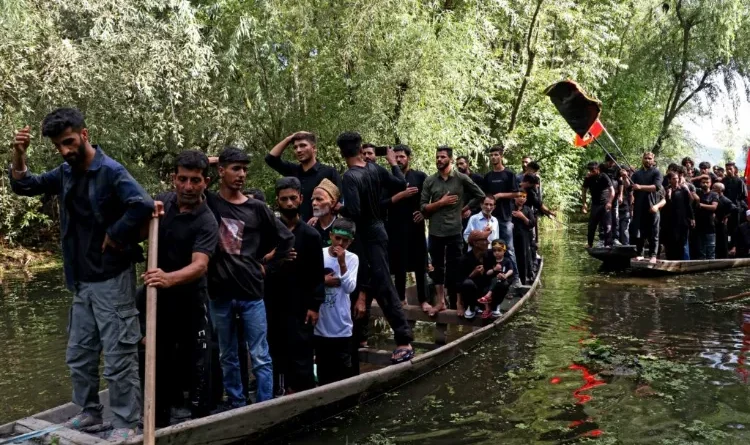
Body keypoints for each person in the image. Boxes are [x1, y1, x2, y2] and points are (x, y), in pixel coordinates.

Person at [9, 109, 154, 440]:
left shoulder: (112, 171)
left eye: (70, 142)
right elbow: (25, 186)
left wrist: (116, 233)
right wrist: (19, 154)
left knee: (119, 355)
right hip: (81, 282)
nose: (65, 151)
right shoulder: (65, 173)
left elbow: (142, 205)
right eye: (59, 145)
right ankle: (89, 413)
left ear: (85, 135)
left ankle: (126, 424)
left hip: (112, 278)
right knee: (79, 354)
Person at [207, 147, 294, 406]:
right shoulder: (210, 202)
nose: (242, 174)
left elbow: (285, 239)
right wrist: (212, 161)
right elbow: (192, 174)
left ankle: (265, 405)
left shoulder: (257, 208)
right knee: (228, 355)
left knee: (259, 355)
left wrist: (270, 265)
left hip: (251, 292)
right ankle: (237, 403)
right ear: (221, 171)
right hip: (220, 294)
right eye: (235, 168)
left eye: (245, 169)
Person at [138, 150, 217, 427]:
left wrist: (168, 278)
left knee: (198, 362)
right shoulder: (162, 202)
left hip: (191, 299)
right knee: (155, 358)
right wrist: (145, 217)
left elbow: (200, 265)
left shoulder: (207, 220)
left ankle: (200, 421)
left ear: (205, 182)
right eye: (182, 179)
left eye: (194, 180)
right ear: (174, 179)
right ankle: (157, 420)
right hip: (158, 299)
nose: (187, 187)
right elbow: (136, 228)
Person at [335, 131, 415, 363]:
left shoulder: (350, 177)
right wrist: (392, 163)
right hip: (379, 232)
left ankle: (404, 339)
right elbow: (400, 183)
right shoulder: (374, 168)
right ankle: (358, 338)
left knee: (383, 286)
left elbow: (355, 211)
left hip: (365, 237)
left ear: (342, 153)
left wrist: (338, 207)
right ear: (361, 149)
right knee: (361, 283)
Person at [265, 177, 324, 395]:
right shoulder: (269, 232)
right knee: (274, 352)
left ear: (300, 199)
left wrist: (314, 306)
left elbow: (317, 274)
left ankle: (303, 397)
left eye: (292, 198)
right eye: (284, 199)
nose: (289, 203)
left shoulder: (310, 235)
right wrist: (274, 258)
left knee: (301, 353)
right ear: (277, 201)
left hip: (301, 306)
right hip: (272, 303)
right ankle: (275, 396)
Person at [421, 146, 486, 316]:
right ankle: (441, 302)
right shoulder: (430, 181)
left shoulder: (461, 178)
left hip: (455, 230)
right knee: (436, 267)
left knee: (456, 267)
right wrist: (440, 203)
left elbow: (480, 195)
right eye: (437, 157)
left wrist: (465, 208)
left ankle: (459, 302)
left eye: (442, 157)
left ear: (450, 159)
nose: (439, 160)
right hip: (435, 231)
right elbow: (423, 209)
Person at [315, 218, 359, 385]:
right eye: (337, 238)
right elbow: (306, 282)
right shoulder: (319, 254)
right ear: (331, 235)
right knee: (323, 370)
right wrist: (322, 281)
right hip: (321, 324)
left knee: (342, 370)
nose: (340, 243)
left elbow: (349, 288)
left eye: (345, 240)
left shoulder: (352, 258)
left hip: (341, 325)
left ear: (351, 241)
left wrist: (342, 264)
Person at [386, 145, 430, 311]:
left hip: (416, 226)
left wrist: (424, 214)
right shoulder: (389, 178)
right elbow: (384, 202)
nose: (398, 160)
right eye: (395, 157)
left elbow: (429, 200)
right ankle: (401, 298)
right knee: (399, 265)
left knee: (420, 264)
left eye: (402, 157)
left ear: (409, 158)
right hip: (395, 226)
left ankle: (424, 299)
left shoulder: (420, 176)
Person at [265, 131, 341, 222]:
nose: (298, 150)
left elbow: (338, 201)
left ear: (314, 148)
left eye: (303, 145)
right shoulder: (293, 171)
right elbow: (270, 159)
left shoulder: (329, 172)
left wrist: (319, 217)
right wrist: (290, 138)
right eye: (295, 147)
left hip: (321, 229)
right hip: (297, 229)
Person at [483, 145, 521, 276]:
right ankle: (493, 278)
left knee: (509, 248)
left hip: (505, 217)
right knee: (492, 248)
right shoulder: (487, 176)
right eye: (492, 155)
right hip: (490, 217)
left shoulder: (509, 174)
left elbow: (516, 193)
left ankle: (515, 279)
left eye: (496, 155)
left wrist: (500, 195)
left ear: (501, 156)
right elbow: (485, 195)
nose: (494, 157)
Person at [625, 152, 663, 262]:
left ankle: (653, 255)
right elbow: (629, 187)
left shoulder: (656, 172)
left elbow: (656, 187)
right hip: (639, 207)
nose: (647, 160)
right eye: (645, 158)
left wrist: (640, 187)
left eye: (649, 158)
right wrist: (624, 177)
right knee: (639, 232)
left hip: (652, 206)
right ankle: (640, 253)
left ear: (653, 160)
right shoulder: (637, 173)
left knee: (653, 232)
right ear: (642, 159)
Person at [455, 230, 491, 319]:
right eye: (484, 240)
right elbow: (459, 283)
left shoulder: (490, 255)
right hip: (472, 295)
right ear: (475, 243)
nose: (488, 242)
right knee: (468, 283)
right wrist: (473, 274)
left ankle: (492, 307)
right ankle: (471, 307)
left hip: (486, 294)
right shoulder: (464, 259)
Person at [476, 239, 514, 319]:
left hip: (502, 282)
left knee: (499, 282)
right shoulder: (491, 261)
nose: (497, 253)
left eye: (499, 250)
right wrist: (494, 270)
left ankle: (494, 304)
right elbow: (487, 273)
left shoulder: (507, 260)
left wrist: (505, 275)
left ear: (504, 251)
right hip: (491, 281)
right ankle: (487, 309)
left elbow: (511, 270)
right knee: (491, 282)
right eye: (494, 251)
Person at [662, 171, 695, 260]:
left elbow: (689, 203)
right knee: (670, 241)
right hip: (670, 220)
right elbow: (665, 205)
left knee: (681, 241)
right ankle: (671, 259)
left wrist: (692, 218)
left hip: (682, 219)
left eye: (677, 178)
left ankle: (680, 260)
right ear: (669, 180)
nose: (676, 180)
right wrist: (668, 196)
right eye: (674, 179)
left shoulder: (683, 190)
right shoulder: (666, 190)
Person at [581, 162, 614, 249]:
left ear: (598, 169)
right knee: (591, 225)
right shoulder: (588, 178)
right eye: (589, 170)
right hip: (595, 204)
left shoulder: (604, 176)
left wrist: (610, 202)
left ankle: (608, 244)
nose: (590, 172)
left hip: (605, 203)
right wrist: (584, 203)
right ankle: (590, 243)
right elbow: (584, 191)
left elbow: (612, 191)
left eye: (593, 170)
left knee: (607, 225)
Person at [723, 162, 748, 250]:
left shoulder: (739, 181)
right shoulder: (723, 181)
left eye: (730, 169)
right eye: (727, 169)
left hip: (736, 209)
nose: (729, 171)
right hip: (725, 209)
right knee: (726, 229)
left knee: (736, 229)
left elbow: (744, 195)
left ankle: (735, 247)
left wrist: (736, 203)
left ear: (734, 169)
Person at [511, 192, 536, 284]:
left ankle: (525, 278)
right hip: (512, 237)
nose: (521, 199)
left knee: (524, 257)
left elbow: (532, 223)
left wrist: (522, 217)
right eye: (519, 196)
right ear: (514, 198)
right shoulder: (510, 208)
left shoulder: (528, 209)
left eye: (523, 197)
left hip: (524, 238)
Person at [695, 175, 719, 260]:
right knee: (701, 250)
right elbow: (688, 183)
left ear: (711, 183)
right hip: (699, 224)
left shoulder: (714, 194)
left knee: (711, 248)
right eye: (703, 182)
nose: (705, 184)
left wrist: (701, 205)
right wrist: (699, 177)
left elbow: (714, 207)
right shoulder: (697, 193)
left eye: (707, 182)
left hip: (710, 224)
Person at [311, 178, 340, 247]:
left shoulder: (341, 228)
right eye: (313, 199)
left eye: (319, 199)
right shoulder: (311, 227)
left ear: (332, 203)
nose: (314, 203)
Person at [713, 182, 737, 259]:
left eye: (714, 188)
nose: (712, 189)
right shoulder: (714, 198)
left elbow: (735, 209)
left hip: (722, 225)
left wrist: (725, 217)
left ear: (720, 190)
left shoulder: (725, 200)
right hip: (715, 224)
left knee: (723, 243)